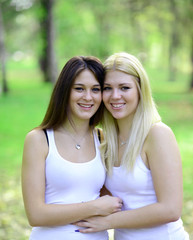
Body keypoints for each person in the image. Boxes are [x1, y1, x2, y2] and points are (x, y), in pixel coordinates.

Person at [74, 52, 190, 240]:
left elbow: (170, 209)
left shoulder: (157, 134)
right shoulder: (106, 141)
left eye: (124, 87)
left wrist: (108, 222)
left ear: (140, 90)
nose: (115, 96)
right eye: (107, 88)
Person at [21, 56, 123, 240]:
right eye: (79, 89)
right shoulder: (39, 139)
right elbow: (36, 215)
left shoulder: (103, 139)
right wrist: (94, 207)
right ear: (65, 92)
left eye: (96, 89)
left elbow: (112, 197)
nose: (88, 97)